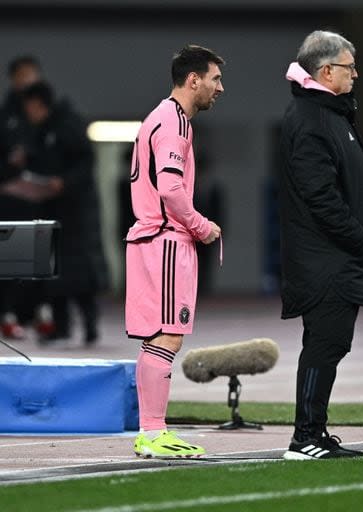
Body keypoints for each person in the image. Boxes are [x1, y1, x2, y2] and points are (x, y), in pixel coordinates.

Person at [279, 30, 363, 459]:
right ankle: (305, 436)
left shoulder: (329, 114)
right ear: (326, 71)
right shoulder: (311, 119)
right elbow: (319, 194)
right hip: (325, 261)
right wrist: (356, 236)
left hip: (333, 257)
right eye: (349, 67)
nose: (356, 74)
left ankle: (314, 432)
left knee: (332, 343)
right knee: (325, 344)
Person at [125, 45, 223, 458]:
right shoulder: (174, 121)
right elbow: (169, 188)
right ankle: (152, 433)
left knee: (159, 337)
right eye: (215, 79)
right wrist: (201, 226)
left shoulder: (162, 117)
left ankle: (152, 431)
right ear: (193, 79)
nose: (221, 88)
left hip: (154, 239)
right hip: (165, 240)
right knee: (166, 336)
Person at [18, 81, 109, 345]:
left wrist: (64, 182)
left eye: (31, 108)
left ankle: (90, 325)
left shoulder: (68, 125)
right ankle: (61, 327)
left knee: (79, 273)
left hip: (76, 212)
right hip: (49, 208)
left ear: (39, 104)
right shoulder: (39, 130)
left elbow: (86, 163)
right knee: (52, 271)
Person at [0, 56, 44, 340]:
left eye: (32, 74)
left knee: (39, 262)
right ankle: (8, 313)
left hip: (38, 199)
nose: (28, 79)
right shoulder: (7, 115)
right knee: (12, 261)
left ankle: (37, 313)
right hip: (11, 198)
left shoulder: (45, 112)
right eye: (23, 75)